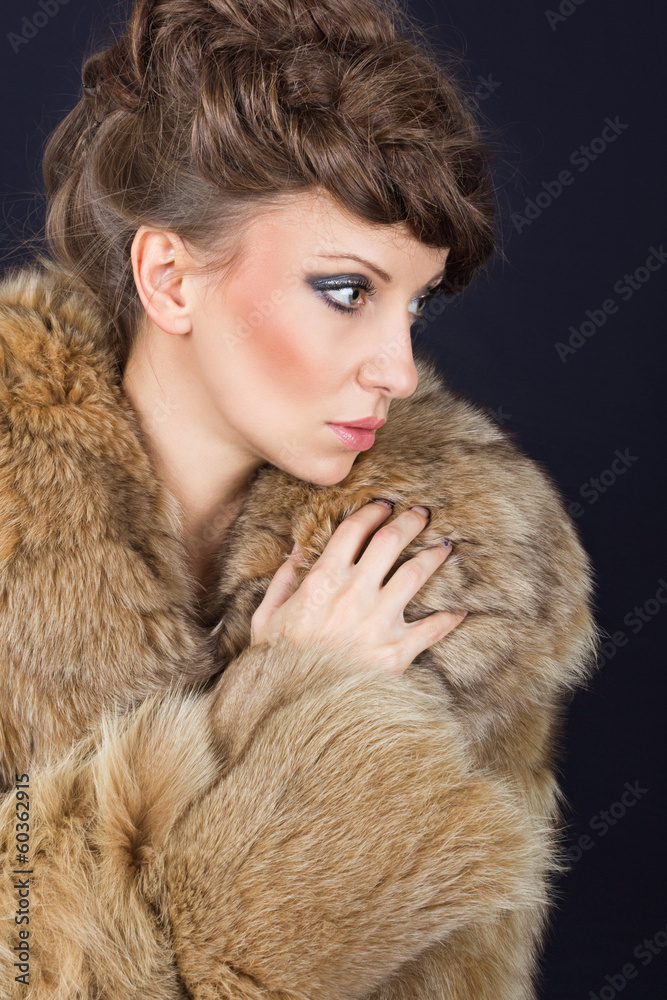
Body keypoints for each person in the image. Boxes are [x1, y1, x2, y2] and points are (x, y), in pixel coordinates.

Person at [0, 0, 600, 997]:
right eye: (345, 290)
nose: (399, 370)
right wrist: (293, 709)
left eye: (415, 304)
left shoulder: (453, 572)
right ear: (171, 277)